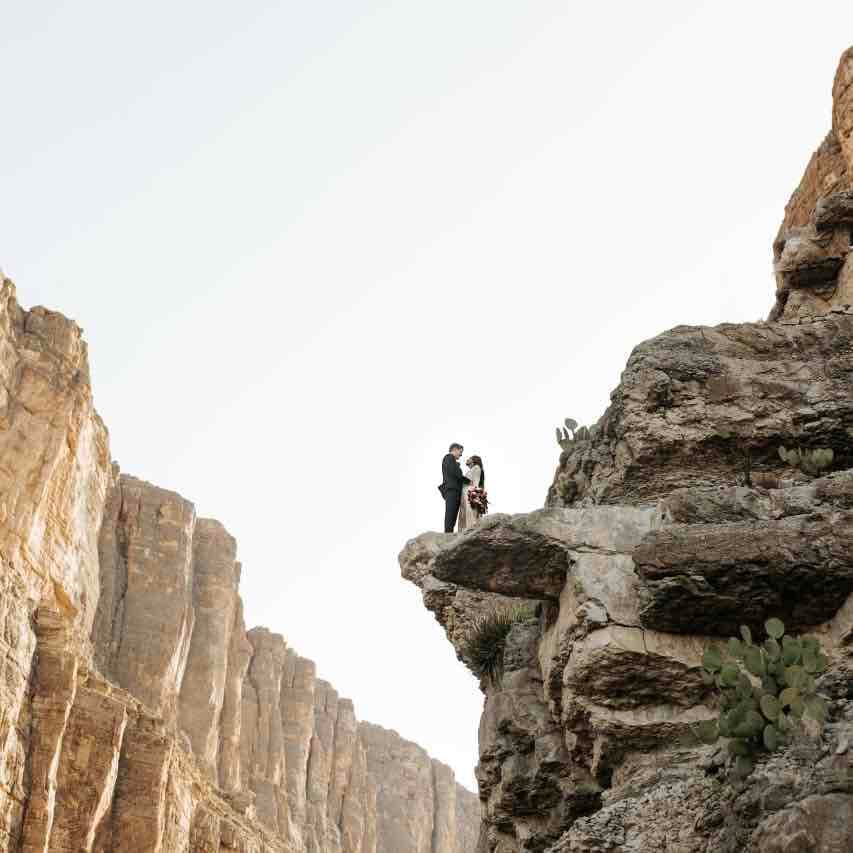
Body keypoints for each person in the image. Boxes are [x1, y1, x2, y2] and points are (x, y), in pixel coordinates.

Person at [440, 443, 469, 532]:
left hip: (455, 491)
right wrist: (467, 481)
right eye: (460, 452)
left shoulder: (452, 460)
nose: (461, 455)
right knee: (450, 515)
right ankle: (447, 535)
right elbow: (454, 472)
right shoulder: (448, 457)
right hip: (452, 490)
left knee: (453, 516)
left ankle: (449, 533)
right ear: (455, 449)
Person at [458, 455, 485, 530]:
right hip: (466, 492)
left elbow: (474, 482)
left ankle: (470, 529)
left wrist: (458, 474)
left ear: (474, 460)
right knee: (465, 512)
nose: (467, 459)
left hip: (469, 492)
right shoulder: (472, 469)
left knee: (469, 512)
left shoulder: (476, 467)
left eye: (469, 458)